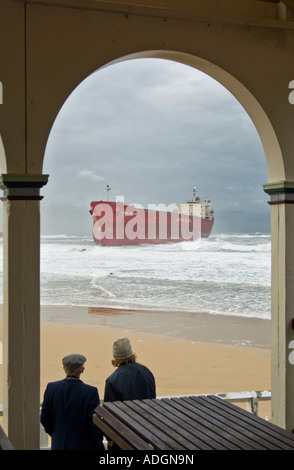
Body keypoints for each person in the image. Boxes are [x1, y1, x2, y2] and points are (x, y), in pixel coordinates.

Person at [40, 353, 104, 450]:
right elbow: (94, 423)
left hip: (59, 444)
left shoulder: (51, 388)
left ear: (63, 368)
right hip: (83, 445)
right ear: (82, 370)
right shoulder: (90, 392)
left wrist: (56, 434)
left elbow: (44, 418)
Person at [104, 337, 156, 450]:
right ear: (131, 352)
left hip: (123, 436)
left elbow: (110, 415)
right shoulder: (146, 372)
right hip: (146, 433)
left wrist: (109, 439)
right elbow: (153, 400)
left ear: (115, 356)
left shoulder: (113, 380)